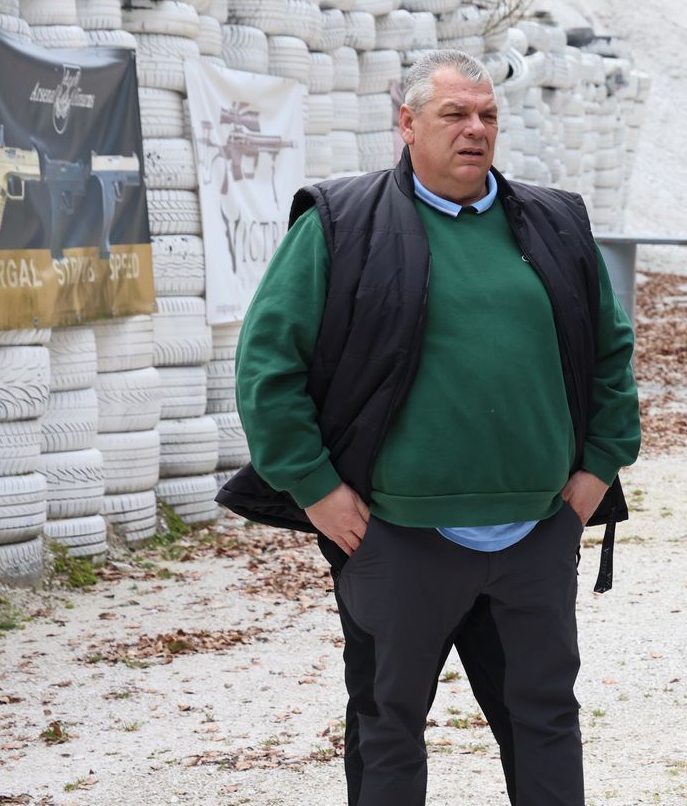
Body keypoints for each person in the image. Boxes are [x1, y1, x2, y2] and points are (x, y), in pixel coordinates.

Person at [219, 49, 640, 806]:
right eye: (455, 114)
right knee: (387, 731)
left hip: (535, 535)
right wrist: (315, 487)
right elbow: (267, 362)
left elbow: (610, 351)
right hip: (398, 538)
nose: (475, 129)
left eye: (487, 116)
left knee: (546, 723)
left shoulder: (555, 223)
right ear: (407, 123)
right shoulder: (343, 223)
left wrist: (598, 468)